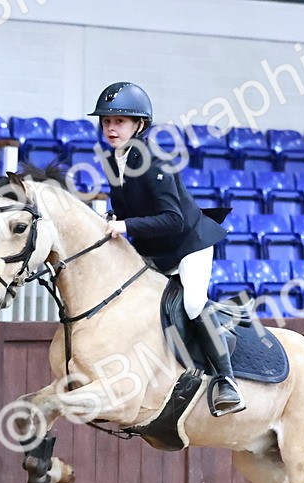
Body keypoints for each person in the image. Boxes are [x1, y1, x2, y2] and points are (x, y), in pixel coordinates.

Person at [90, 81, 244, 416]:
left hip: (189, 244)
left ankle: (226, 380)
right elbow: (130, 205)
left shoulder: (154, 160)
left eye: (119, 122)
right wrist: (116, 217)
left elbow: (172, 218)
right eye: (106, 122)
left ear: (139, 125)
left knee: (191, 303)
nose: (111, 128)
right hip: (156, 249)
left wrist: (126, 226)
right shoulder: (112, 159)